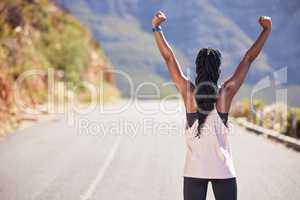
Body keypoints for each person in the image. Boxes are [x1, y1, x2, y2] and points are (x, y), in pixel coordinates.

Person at [152, 11, 272, 200]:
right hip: (223, 171)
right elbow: (248, 58)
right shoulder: (225, 95)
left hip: (194, 170)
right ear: (218, 70)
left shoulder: (189, 94)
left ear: (198, 68)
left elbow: (168, 58)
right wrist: (266, 31)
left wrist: (156, 28)